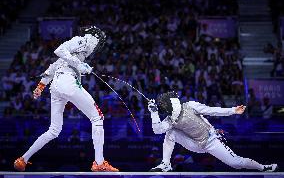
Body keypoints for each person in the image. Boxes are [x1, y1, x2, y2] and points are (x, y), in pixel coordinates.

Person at [14, 26, 119, 172]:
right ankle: (99, 162)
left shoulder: (77, 53)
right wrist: (79, 64)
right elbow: (59, 50)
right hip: (67, 82)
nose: (98, 45)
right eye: (99, 40)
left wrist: (40, 87)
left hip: (56, 86)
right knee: (97, 118)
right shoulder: (82, 40)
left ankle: (22, 160)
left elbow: (52, 67)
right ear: (94, 37)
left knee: (54, 130)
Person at [147, 91, 278, 172]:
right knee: (171, 133)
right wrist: (153, 113)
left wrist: (232, 110)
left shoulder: (190, 105)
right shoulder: (169, 120)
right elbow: (157, 130)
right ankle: (166, 164)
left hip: (211, 141)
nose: (163, 106)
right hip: (195, 144)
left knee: (236, 163)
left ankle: (263, 167)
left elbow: (212, 110)